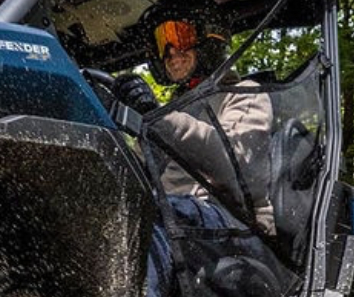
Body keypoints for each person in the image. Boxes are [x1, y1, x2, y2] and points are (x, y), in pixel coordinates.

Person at [112, 13, 277, 239]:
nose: (171, 52)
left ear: (210, 39)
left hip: (239, 226)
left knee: (150, 217)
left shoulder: (245, 93)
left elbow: (235, 164)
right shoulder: (173, 112)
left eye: (179, 36)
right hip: (176, 219)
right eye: (162, 42)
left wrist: (158, 116)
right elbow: (136, 168)